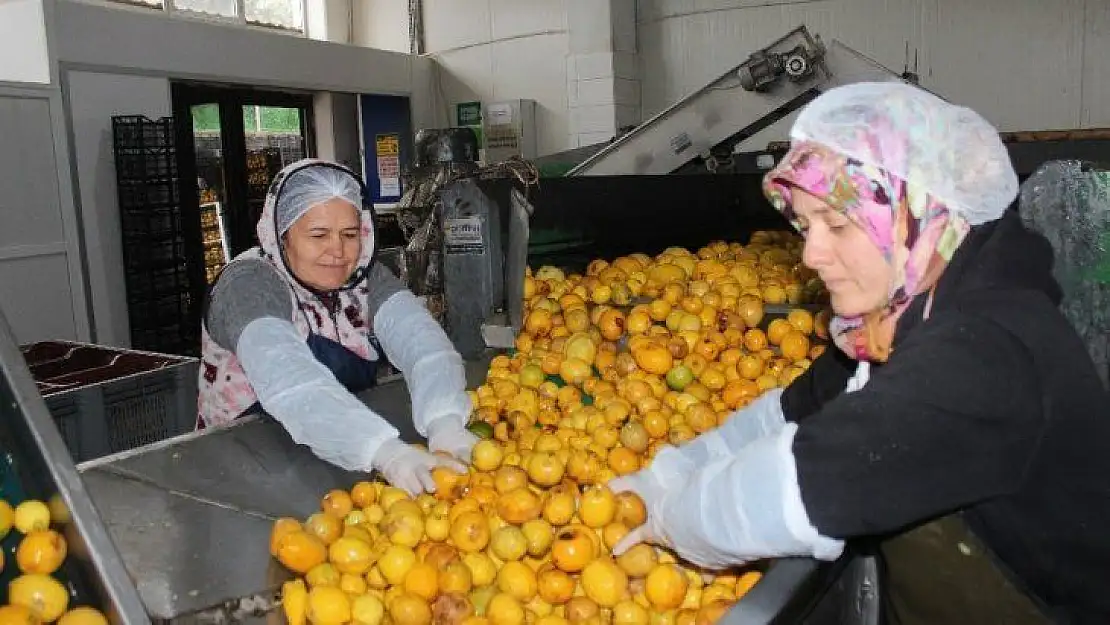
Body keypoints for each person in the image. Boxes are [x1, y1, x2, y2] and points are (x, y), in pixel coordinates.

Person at [608, 82, 1110, 624]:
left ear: (916, 214)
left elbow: (790, 493)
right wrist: (664, 475)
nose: (810, 253)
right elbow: (783, 415)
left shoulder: (983, 352)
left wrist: (664, 517)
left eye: (838, 224)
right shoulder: (898, 321)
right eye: (804, 224)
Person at [198, 158, 477, 496]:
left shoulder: (361, 276)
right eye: (318, 235)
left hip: (335, 463)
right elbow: (291, 382)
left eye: (349, 234)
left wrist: (443, 419)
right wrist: (385, 452)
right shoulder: (249, 284)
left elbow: (423, 344)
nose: (338, 252)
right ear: (281, 236)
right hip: (244, 470)